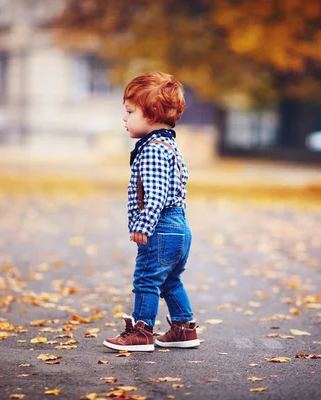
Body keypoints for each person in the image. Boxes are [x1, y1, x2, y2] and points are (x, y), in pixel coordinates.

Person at [103, 72, 200, 352]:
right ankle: (184, 328)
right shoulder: (170, 146)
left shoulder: (153, 150)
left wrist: (144, 225)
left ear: (152, 114)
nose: (125, 118)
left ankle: (141, 331)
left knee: (146, 279)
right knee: (170, 280)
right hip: (179, 226)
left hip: (161, 226)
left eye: (130, 111)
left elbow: (155, 194)